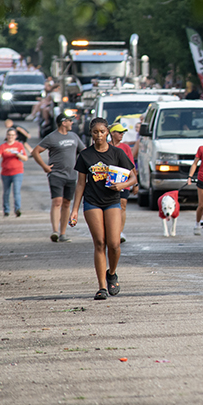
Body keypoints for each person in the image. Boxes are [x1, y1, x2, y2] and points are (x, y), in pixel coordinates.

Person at [69, 118, 137, 300]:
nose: (99, 135)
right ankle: (102, 287)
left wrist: (122, 185)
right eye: (95, 132)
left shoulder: (117, 153)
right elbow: (80, 184)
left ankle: (111, 273)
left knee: (114, 244)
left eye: (102, 131)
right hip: (92, 202)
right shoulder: (85, 155)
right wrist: (74, 210)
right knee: (99, 243)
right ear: (91, 133)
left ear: (107, 132)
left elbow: (133, 178)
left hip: (112, 201)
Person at [32, 113, 83, 242]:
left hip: (71, 175)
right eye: (70, 121)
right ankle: (55, 231)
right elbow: (35, 151)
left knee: (66, 203)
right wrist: (44, 166)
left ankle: (63, 233)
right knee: (57, 201)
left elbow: (84, 151)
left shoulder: (74, 136)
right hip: (56, 174)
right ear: (63, 122)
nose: (72, 123)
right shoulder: (52, 137)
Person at [109, 123, 136, 243]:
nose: (121, 135)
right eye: (119, 132)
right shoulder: (105, 146)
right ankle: (110, 231)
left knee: (122, 205)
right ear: (112, 133)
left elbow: (131, 165)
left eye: (123, 133)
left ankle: (119, 232)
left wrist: (135, 183)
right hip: (109, 181)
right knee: (110, 206)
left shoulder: (126, 148)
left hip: (124, 181)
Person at [0, 128, 28, 217]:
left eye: (12, 135)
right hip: (5, 173)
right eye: (9, 135)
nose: (10, 137)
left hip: (17, 172)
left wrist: (18, 154)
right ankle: (6, 210)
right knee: (6, 192)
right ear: (6, 136)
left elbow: (25, 158)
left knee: (16, 191)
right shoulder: (3, 146)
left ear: (15, 136)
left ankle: (17, 209)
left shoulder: (19, 145)